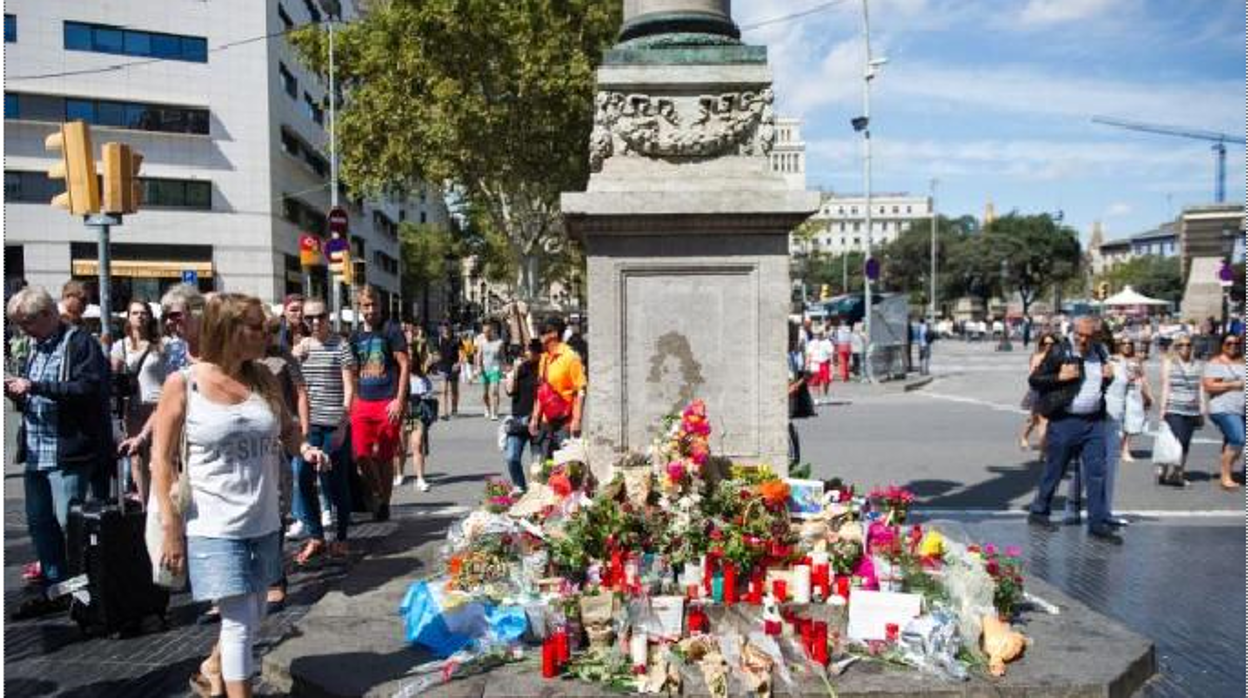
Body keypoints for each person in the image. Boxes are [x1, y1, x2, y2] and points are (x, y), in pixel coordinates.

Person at [150, 292, 328, 698]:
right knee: (239, 619)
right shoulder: (184, 384)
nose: (268, 333)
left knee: (258, 610)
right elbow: (160, 462)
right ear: (227, 330)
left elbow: (287, 428)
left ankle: (214, 668)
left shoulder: (262, 377)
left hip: (264, 517)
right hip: (213, 523)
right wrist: (171, 526)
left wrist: (304, 448)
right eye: (256, 327)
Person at [6, 287, 113, 618]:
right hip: (38, 450)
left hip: (68, 452)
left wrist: (36, 387)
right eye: (19, 325)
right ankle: (56, 585)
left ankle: (83, 590)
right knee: (41, 523)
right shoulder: (35, 348)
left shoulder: (79, 343)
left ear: (48, 315)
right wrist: (17, 392)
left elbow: (90, 388)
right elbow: (33, 394)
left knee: (72, 525)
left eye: (27, 323)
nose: (24, 331)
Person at [1026, 316, 1120, 542]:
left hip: (1094, 421)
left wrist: (1109, 378)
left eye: (1089, 336)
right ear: (1074, 331)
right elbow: (1035, 380)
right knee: (1055, 469)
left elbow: (1097, 383)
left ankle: (1097, 523)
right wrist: (1059, 376)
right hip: (1066, 421)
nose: (1083, 340)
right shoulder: (1060, 351)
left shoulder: (1101, 352)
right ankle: (1039, 512)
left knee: (1097, 473)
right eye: (1080, 334)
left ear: (1097, 335)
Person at [292, 298, 356, 558]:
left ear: (328, 316)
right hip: (310, 426)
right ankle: (316, 536)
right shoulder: (301, 348)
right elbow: (296, 387)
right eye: (309, 318)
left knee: (335, 483)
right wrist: (294, 355)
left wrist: (342, 425)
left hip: (334, 425)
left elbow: (350, 388)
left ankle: (341, 538)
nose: (315, 322)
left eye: (319, 316)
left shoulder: (341, 346)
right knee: (304, 480)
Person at [348, 285, 409, 522]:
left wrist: (399, 400)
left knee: (385, 457)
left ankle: (384, 503)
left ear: (381, 306)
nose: (371, 310)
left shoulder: (391, 330)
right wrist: (352, 401)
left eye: (374, 305)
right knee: (361, 454)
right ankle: (376, 493)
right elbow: (351, 370)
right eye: (366, 305)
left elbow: (404, 365)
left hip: (387, 401)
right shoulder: (354, 336)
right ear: (359, 307)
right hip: (362, 401)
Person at [111, 299, 168, 505]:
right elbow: (113, 377)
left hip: (159, 406)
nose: (140, 316)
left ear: (150, 316)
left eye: (143, 312)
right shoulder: (120, 346)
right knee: (137, 458)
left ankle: (160, 503)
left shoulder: (162, 344)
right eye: (135, 313)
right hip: (133, 407)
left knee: (159, 456)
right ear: (128, 317)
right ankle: (145, 505)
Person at [529, 317, 586, 459]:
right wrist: (535, 417)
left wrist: (577, 420)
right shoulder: (544, 358)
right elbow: (542, 390)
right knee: (545, 464)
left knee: (565, 465)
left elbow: (580, 391)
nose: (540, 336)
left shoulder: (570, 357)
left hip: (565, 423)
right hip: (546, 421)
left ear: (553, 334)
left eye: (543, 332)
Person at [1158, 333, 1204, 487]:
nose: (1185, 348)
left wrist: (1202, 410)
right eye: (1181, 345)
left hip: (1191, 409)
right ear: (1176, 347)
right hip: (1173, 408)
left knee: (1185, 443)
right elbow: (1166, 385)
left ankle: (1178, 474)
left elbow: (1200, 388)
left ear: (1192, 347)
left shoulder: (1197, 364)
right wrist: (1163, 409)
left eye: (1188, 345)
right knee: (1178, 439)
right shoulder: (1169, 362)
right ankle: (1165, 466)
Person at [1202, 332, 1243, 490]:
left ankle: (1227, 472)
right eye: (1229, 343)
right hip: (1223, 409)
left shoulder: (1242, 362)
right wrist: (1232, 385)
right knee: (1238, 439)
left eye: (1236, 343)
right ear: (1222, 345)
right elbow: (1208, 386)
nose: (1233, 346)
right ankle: (1225, 477)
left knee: (1231, 441)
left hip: (1240, 409)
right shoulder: (1215, 362)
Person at [502, 339, 542, 491]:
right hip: (518, 419)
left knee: (538, 462)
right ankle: (519, 486)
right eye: (525, 350)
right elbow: (510, 391)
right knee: (512, 457)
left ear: (538, 353)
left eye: (529, 350)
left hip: (538, 420)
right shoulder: (520, 368)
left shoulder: (543, 369)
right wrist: (514, 372)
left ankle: (538, 492)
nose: (526, 353)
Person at [1109, 338, 1152, 463]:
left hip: (1133, 393)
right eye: (1124, 343)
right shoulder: (1113, 358)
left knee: (1131, 421)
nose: (1127, 346)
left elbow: (1142, 377)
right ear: (1119, 345)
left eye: (1130, 344)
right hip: (1116, 393)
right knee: (1115, 421)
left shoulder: (1136, 360)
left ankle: (1125, 449)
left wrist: (1148, 394)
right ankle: (1116, 447)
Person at [405, 351, 436, 493]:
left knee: (417, 444)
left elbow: (429, 394)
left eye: (412, 356)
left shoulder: (422, 377)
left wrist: (426, 397)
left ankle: (420, 478)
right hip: (403, 412)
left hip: (416, 412)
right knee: (400, 448)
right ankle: (398, 474)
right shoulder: (399, 374)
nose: (410, 359)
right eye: (408, 356)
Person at [1019, 333, 1057, 451]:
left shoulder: (1056, 356)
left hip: (1050, 391)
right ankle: (1024, 437)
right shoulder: (1037, 356)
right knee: (1033, 420)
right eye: (1046, 343)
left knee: (1044, 420)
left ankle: (1043, 451)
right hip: (1037, 390)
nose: (1049, 346)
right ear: (1041, 344)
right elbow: (1032, 376)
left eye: (1051, 343)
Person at [475, 322, 505, 420]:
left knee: (494, 391)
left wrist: (503, 368)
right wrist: (479, 367)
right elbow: (479, 355)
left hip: (495, 368)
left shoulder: (499, 342)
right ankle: (487, 408)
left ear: (492, 331)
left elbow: (502, 357)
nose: (486, 334)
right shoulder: (481, 342)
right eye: (484, 332)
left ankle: (494, 412)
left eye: (487, 332)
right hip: (484, 369)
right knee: (485, 393)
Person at [435, 323, 461, 419]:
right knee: (444, 390)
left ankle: (454, 409)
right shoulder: (439, 339)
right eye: (443, 327)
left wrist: (458, 363)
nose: (445, 328)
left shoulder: (456, 339)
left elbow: (461, 352)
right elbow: (436, 352)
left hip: (453, 366)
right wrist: (435, 357)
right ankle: (444, 412)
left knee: (454, 391)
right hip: (443, 366)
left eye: (447, 326)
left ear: (450, 328)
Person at [804, 329, 833, 403]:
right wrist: (807, 365)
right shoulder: (812, 343)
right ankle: (816, 398)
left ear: (822, 334)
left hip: (824, 364)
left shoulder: (827, 342)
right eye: (816, 334)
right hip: (815, 363)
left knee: (826, 382)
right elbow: (809, 354)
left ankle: (825, 395)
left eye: (819, 334)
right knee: (815, 382)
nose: (817, 336)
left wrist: (831, 364)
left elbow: (830, 353)